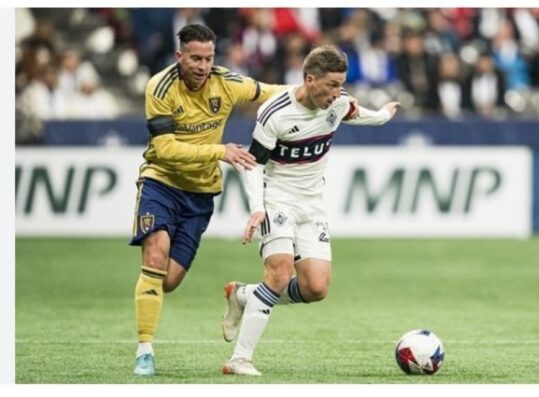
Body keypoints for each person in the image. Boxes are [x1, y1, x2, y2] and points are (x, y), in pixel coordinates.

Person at [220, 45, 401, 376]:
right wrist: (257, 207)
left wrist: (385, 114)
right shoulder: (275, 113)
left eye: (341, 84)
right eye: (332, 85)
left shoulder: (338, 103)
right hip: (277, 199)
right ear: (309, 79)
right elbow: (254, 164)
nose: (337, 93)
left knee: (315, 288)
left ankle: (244, 295)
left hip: (312, 204)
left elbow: (359, 114)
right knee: (279, 273)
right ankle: (240, 359)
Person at [130, 23, 287, 377]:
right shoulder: (160, 87)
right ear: (179, 56)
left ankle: (236, 295)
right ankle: (145, 350)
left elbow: (273, 92)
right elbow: (164, 149)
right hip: (161, 182)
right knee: (154, 255)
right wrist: (221, 151)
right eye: (195, 58)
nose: (203, 66)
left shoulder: (226, 82)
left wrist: (319, 92)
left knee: (167, 280)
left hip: (200, 193)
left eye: (208, 58)